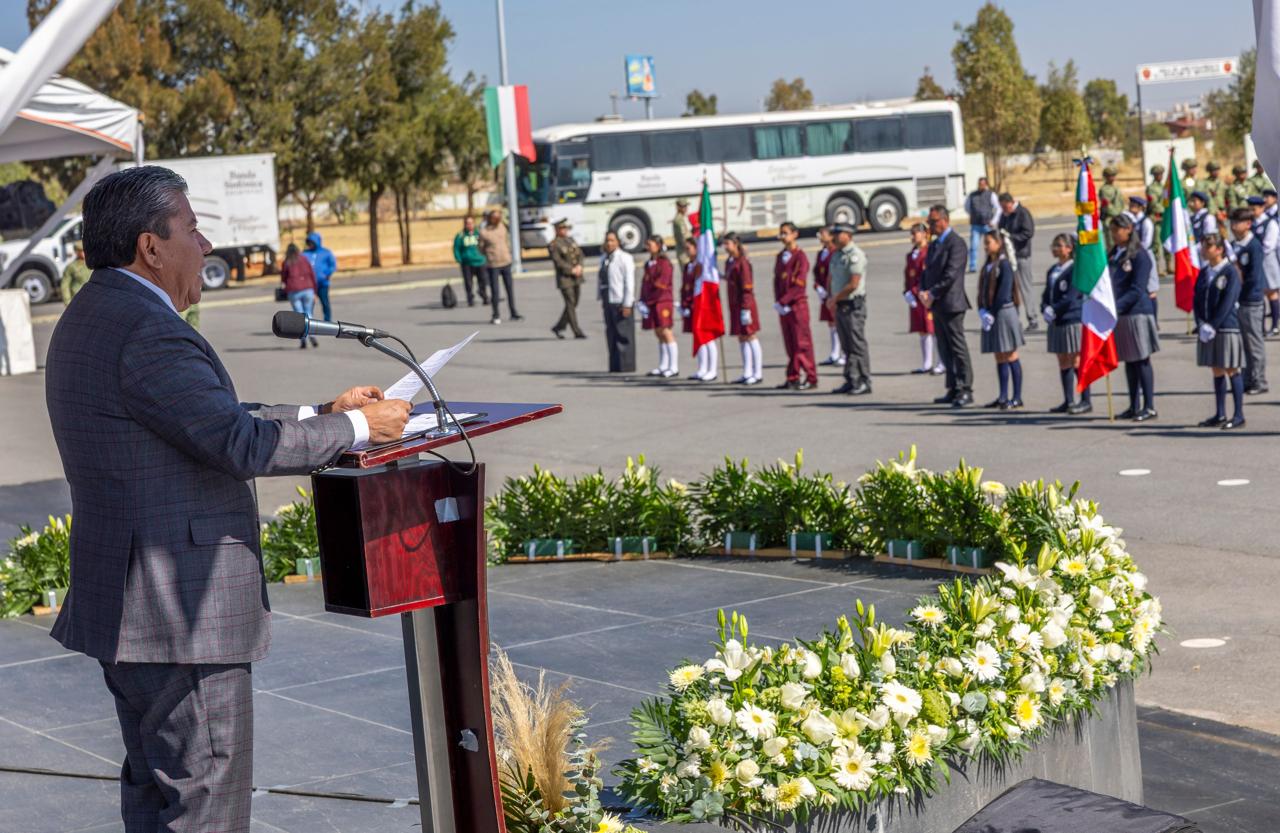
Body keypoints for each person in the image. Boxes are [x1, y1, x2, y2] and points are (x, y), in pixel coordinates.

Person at [44, 165, 411, 833]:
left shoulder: (96, 312)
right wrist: (359, 428)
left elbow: (203, 416)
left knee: (159, 796)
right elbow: (237, 443)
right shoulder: (148, 329)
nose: (205, 244)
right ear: (151, 246)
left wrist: (319, 410)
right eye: (191, 228)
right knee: (203, 803)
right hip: (179, 616)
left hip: (135, 610)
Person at [919, 204, 973, 407]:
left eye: (933, 222)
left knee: (957, 347)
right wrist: (924, 291)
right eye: (929, 222)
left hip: (952, 302)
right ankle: (953, 387)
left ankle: (966, 388)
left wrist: (932, 293)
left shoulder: (956, 243)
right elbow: (927, 271)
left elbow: (951, 274)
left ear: (944, 221)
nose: (930, 226)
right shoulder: (934, 244)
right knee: (944, 347)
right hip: (937, 303)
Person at [1109, 214, 1160, 421]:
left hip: (1137, 312)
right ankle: (1133, 404)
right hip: (1121, 314)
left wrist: (1116, 306)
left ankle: (1149, 406)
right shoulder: (1114, 254)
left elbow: (1138, 288)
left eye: (1117, 230)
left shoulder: (1140, 255)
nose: (1114, 234)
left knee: (1141, 360)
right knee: (1129, 361)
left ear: (1129, 229)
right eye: (1112, 231)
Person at [1192, 233, 1246, 429]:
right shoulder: (1205, 272)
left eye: (1208, 247)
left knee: (1231, 368)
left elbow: (1228, 302)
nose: (1204, 250)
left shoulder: (1230, 272)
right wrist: (1200, 323)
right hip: (1208, 327)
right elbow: (1197, 299)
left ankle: (1239, 414)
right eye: (1204, 247)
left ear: (1219, 249)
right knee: (1216, 369)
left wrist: (1213, 325)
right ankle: (1220, 413)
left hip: (1226, 327)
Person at [1041, 233, 1092, 414]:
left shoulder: (1075, 269)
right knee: (1063, 360)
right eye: (1054, 245)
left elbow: (1071, 296)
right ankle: (1068, 400)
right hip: (1057, 321)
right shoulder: (1052, 270)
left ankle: (1085, 399)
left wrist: (1055, 308)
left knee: (1076, 360)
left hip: (1071, 318)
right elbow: (1046, 294)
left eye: (1060, 245)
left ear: (1069, 249)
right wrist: (1045, 307)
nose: (1056, 249)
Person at [977, 229, 1025, 409]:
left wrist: (991, 311)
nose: (986, 246)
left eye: (988, 242)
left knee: (1010, 353)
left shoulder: (1004, 265)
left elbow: (1004, 292)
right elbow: (982, 290)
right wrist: (982, 309)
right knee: (999, 354)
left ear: (998, 243)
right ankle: (1003, 395)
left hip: (1004, 312)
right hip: (991, 313)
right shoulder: (989, 264)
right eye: (985, 243)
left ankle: (1017, 396)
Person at [826, 222, 871, 395]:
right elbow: (832, 278)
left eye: (838, 234)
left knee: (857, 344)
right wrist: (832, 298)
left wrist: (835, 298)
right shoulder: (836, 255)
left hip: (853, 305)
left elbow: (853, 284)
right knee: (846, 345)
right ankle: (851, 379)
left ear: (848, 235)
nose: (835, 237)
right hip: (840, 305)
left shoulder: (855, 255)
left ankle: (864, 380)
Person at [773, 221, 817, 390]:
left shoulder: (800, 257)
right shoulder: (780, 257)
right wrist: (779, 302)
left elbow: (799, 285)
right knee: (790, 343)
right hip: (784, 307)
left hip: (797, 306)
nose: (783, 236)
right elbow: (777, 281)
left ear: (795, 234)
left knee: (802, 343)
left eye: (786, 233)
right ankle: (793, 376)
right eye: (781, 233)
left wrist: (785, 301)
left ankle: (811, 377)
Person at [1230, 207, 1268, 394]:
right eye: (1232, 222)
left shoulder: (1253, 246)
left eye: (1238, 222)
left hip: (1251, 300)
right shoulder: (1234, 245)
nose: (1234, 226)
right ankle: (1247, 378)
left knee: (1254, 343)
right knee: (1243, 343)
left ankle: (1259, 381)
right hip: (1239, 300)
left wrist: (1238, 292)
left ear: (1248, 224)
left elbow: (1253, 277)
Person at [723, 232, 762, 385]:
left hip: (745, 304)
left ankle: (757, 372)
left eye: (728, 244)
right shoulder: (730, 261)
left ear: (735, 243)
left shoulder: (743, 262)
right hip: (735, 304)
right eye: (724, 244)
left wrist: (746, 308)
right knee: (741, 336)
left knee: (750, 335)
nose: (725, 247)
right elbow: (730, 278)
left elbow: (747, 286)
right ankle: (747, 371)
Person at [903, 223, 941, 375]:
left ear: (925, 233)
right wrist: (906, 292)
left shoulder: (929, 252)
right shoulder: (912, 254)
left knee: (933, 329)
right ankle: (927, 363)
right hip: (915, 297)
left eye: (916, 233)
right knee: (922, 330)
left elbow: (926, 276)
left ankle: (941, 362)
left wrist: (916, 291)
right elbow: (908, 276)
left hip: (925, 295)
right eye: (912, 233)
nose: (913, 236)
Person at [637, 234, 677, 377]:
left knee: (666, 331)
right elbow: (645, 283)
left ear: (658, 246)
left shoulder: (664, 263)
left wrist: (650, 298)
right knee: (658, 333)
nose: (648, 246)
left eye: (651, 243)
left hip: (662, 300)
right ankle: (663, 365)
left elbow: (662, 284)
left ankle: (673, 366)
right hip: (651, 301)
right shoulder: (649, 263)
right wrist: (642, 300)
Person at [598, 230, 635, 372]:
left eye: (612, 240)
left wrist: (627, 303)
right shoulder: (604, 258)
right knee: (611, 333)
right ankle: (615, 364)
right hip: (608, 298)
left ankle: (626, 365)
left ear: (618, 242)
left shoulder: (625, 258)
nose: (609, 243)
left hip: (620, 299)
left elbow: (629, 283)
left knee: (623, 333)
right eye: (607, 240)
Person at [998, 192, 1037, 329]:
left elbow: (1028, 232)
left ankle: (1032, 317)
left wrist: (1012, 237)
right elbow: (1000, 229)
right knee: (1012, 288)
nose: (1004, 210)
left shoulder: (1022, 213)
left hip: (1022, 254)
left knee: (1025, 287)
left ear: (1011, 203)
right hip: (1009, 256)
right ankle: (1016, 319)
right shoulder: (1005, 216)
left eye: (1005, 207)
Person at [478, 209, 522, 324]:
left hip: (506, 262)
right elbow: (481, 248)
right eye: (495, 218)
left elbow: (506, 240)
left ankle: (513, 312)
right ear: (490, 219)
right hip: (493, 264)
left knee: (509, 289)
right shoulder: (484, 232)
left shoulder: (502, 227)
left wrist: (508, 252)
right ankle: (496, 314)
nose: (498, 220)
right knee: (495, 291)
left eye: (498, 218)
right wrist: (489, 255)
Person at [548, 218, 586, 339]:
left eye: (566, 228)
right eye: (562, 228)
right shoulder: (554, 244)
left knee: (575, 303)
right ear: (557, 230)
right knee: (570, 303)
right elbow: (558, 262)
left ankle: (559, 327)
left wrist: (580, 266)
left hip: (576, 277)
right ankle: (577, 331)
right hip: (565, 279)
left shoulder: (570, 240)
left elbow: (580, 254)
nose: (565, 230)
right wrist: (571, 270)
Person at [1123, 196, 1160, 321]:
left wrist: (1135, 251)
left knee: (1151, 289)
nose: (1131, 207)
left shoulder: (1146, 222)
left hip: (1144, 255)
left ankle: (1154, 319)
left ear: (1141, 208)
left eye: (1135, 205)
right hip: (1133, 255)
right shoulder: (1132, 222)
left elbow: (1146, 242)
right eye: (1131, 204)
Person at [813, 226, 844, 366]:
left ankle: (844, 354)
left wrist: (831, 290)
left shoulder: (835, 252)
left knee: (839, 323)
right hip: (825, 293)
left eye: (823, 233)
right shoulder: (821, 253)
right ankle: (834, 353)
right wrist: (818, 287)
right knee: (831, 324)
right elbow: (816, 272)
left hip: (834, 293)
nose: (820, 236)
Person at [1249, 192, 1280, 334]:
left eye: (1254, 208)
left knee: (1272, 293)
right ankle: (1260, 326)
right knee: (1259, 295)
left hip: (1268, 262)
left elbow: (1269, 245)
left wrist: (1254, 251)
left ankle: (1275, 325)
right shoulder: (1251, 224)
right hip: (1255, 263)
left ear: (1262, 208)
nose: (1251, 211)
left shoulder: (1270, 223)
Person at [280, 242, 318, 349]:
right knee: (308, 313)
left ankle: (303, 339)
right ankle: (312, 335)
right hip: (307, 288)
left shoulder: (287, 262)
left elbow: (283, 277)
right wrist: (315, 291)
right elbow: (312, 274)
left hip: (294, 290)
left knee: (300, 317)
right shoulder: (304, 259)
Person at [964, 176, 1000, 272]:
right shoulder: (972, 195)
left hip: (987, 225)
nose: (981, 186)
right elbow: (967, 207)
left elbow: (998, 208)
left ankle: (992, 263)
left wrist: (994, 221)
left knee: (990, 245)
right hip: (976, 225)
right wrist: (974, 214)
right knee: (974, 246)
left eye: (983, 184)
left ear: (986, 185)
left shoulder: (991, 195)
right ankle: (972, 266)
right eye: (980, 184)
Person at [451, 216, 488, 307]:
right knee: (468, 282)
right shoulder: (461, 235)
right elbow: (456, 248)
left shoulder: (479, 233)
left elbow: (486, 245)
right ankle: (470, 299)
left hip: (480, 261)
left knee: (483, 280)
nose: (469, 225)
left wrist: (485, 257)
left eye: (471, 223)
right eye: (467, 223)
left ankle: (483, 294)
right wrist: (459, 259)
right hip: (467, 262)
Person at [303, 231, 337, 321]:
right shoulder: (305, 253)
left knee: (325, 303)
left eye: (312, 242)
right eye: (309, 242)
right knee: (309, 305)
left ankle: (328, 322)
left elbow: (333, 265)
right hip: (309, 285)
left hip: (322, 284)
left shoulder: (326, 252)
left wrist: (327, 274)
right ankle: (308, 322)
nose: (310, 244)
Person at [1146, 165, 1172, 277]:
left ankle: (1169, 265)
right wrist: (1163, 211)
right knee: (1157, 244)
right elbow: (1153, 203)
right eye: (1157, 174)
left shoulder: (1165, 187)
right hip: (1157, 218)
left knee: (1167, 241)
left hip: (1165, 218)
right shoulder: (1151, 188)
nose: (1160, 176)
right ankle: (1157, 268)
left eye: (1161, 174)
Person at [1098, 167, 1124, 250]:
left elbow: (1120, 203)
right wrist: (1117, 214)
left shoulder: (1115, 188)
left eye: (1113, 175)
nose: (1112, 178)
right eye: (1109, 176)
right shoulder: (1104, 190)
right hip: (1110, 219)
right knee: (1112, 245)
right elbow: (1107, 205)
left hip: (1118, 218)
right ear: (1105, 177)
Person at [673, 198, 691, 270]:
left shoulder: (681, 218)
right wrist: (690, 248)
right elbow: (683, 237)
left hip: (684, 251)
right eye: (683, 206)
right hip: (684, 252)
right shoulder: (679, 220)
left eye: (686, 206)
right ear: (678, 207)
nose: (685, 208)